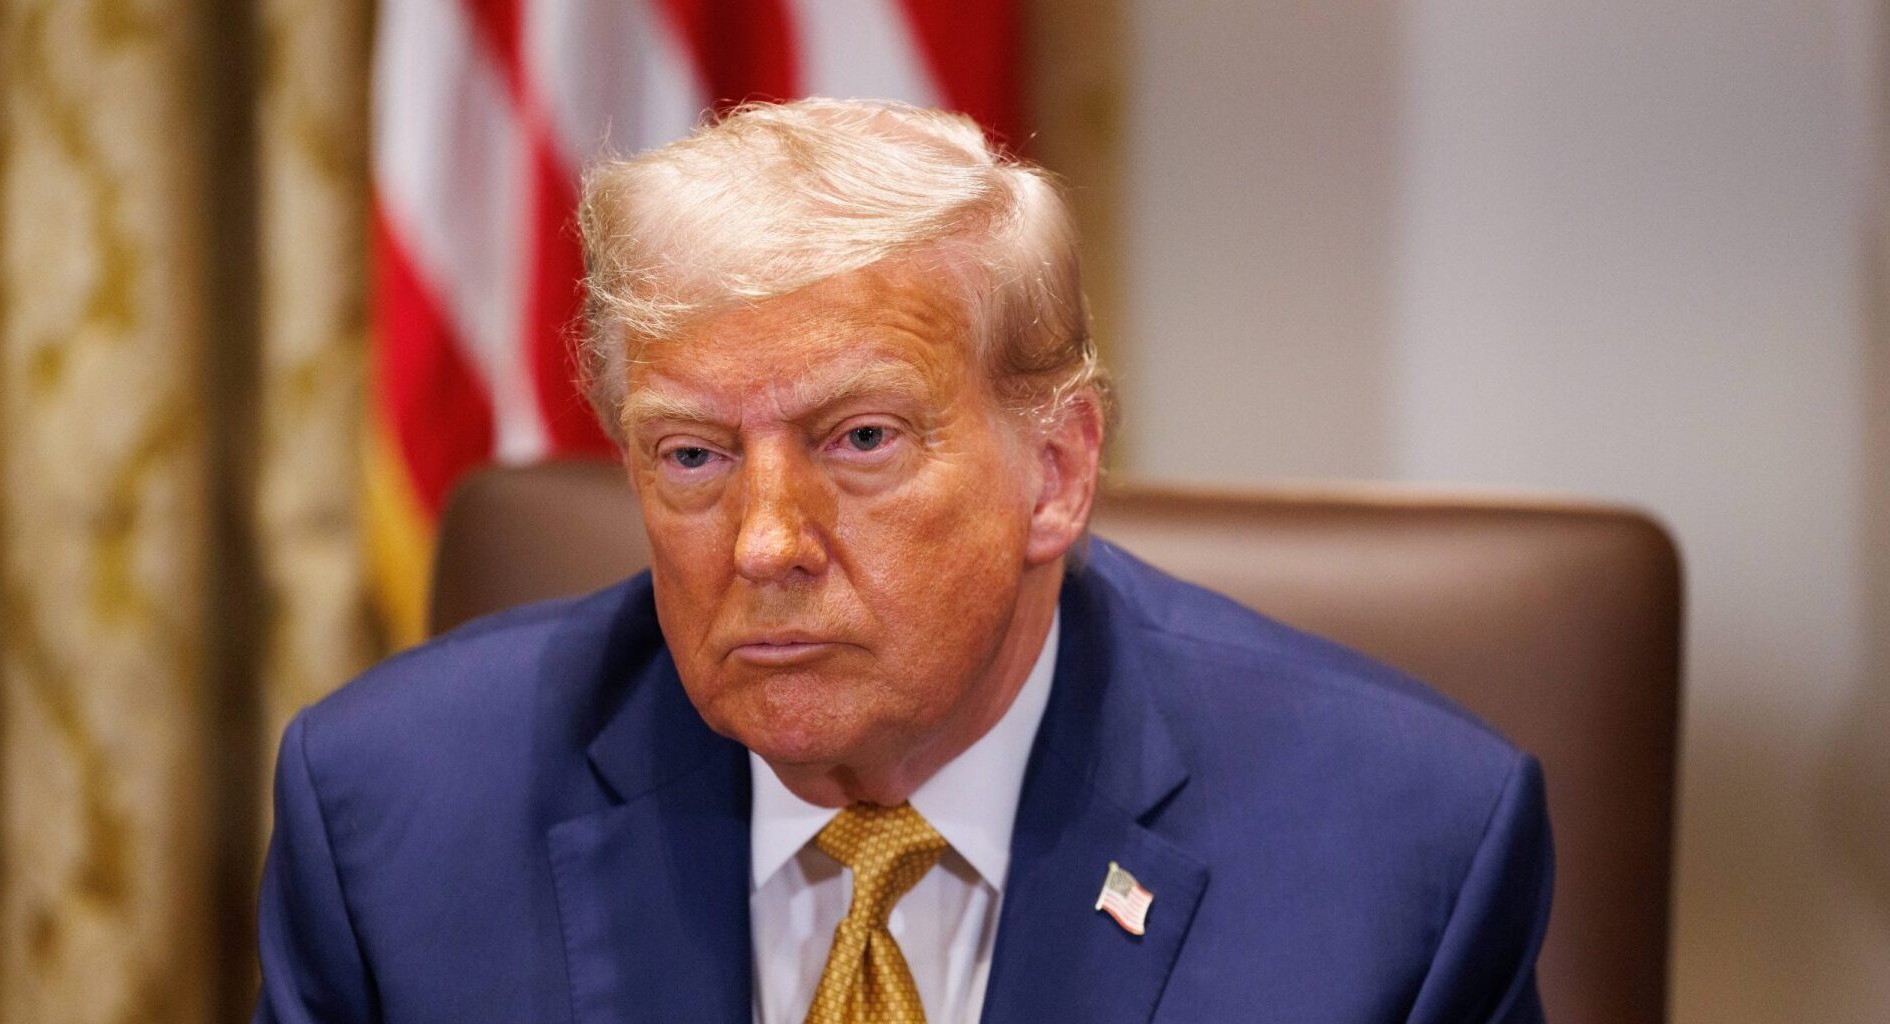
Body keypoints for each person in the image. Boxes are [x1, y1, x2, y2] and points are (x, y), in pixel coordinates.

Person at [253, 99, 1552, 1024]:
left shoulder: (1400, 863)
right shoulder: (395, 825)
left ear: (1057, 470)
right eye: (694, 456)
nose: (765, 543)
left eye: (860, 438)